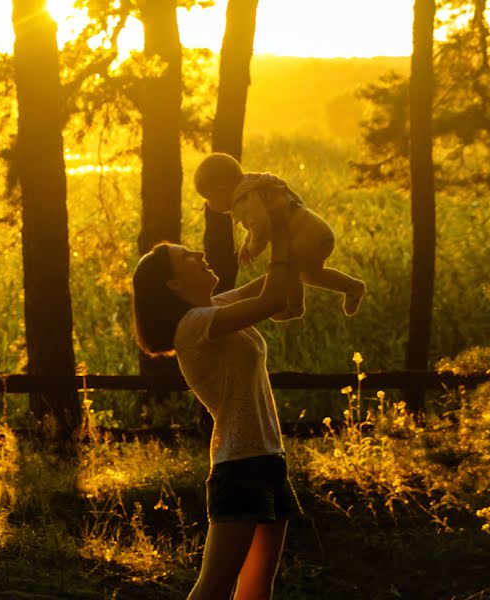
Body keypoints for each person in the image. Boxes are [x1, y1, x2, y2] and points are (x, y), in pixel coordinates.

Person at [131, 204, 301, 599]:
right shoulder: (191, 327)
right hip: (238, 464)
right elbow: (273, 297)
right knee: (216, 586)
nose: (199, 254)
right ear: (173, 284)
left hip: (268, 458)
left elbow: (276, 280)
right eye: (187, 257)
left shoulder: (216, 309)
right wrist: (274, 225)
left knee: (258, 587)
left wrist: (285, 228)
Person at [194, 152, 366, 321]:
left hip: (307, 236)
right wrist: (247, 244)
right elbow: (256, 224)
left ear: (221, 189)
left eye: (208, 198)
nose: (208, 204)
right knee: (310, 275)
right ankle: (351, 286)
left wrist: (254, 249)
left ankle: (294, 308)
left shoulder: (246, 199)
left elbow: (261, 226)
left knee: (289, 270)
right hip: (319, 232)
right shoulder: (252, 189)